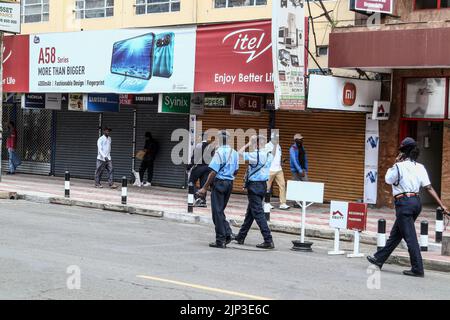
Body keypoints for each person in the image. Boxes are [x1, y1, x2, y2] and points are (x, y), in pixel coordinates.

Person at [367, 137, 449, 278]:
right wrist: (442, 206)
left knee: (410, 237)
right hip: (416, 203)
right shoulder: (420, 167)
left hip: (404, 203)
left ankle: (418, 268)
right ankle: (379, 259)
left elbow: (388, 179)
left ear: (403, 153)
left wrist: (395, 163)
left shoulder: (398, 166)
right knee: (396, 235)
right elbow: (428, 188)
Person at [197, 130, 239, 249]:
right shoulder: (234, 152)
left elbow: (213, 172)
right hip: (229, 184)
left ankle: (220, 240)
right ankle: (228, 233)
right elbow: (236, 170)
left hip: (219, 184)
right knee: (220, 211)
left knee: (217, 212)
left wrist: (204, 188)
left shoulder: (219, 152)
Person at [234, 135, 275, 249]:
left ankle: (268, 240)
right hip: (263, 185)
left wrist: (248, 144)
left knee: (258, 213)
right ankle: (241, 236)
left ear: (256, 144)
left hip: (254, 186)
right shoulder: (269, 155)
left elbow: (239, 153)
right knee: (250, 213)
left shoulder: (255, 155)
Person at [187, 132, 213, 207]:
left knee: (191, 182)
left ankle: (197, 197)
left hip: (198, 167)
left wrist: (188, 167)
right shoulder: (211, 146)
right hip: (208, 168)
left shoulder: (199, 145)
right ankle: (203, 202)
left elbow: (194, 158)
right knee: (203, 184)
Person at [265, 131, 290, 210]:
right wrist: (275, 145)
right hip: (270, 169)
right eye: (277, 138)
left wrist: (281, 162)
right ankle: (266, 203)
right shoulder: (267, 146)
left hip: (279, 169)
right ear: (272, 138)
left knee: (282, 185)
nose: (278, 140)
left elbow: (279, 156)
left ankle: (283, 203)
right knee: (267, 187)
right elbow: (271, 155)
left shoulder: (279, 145)